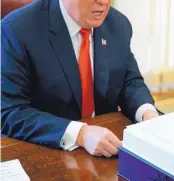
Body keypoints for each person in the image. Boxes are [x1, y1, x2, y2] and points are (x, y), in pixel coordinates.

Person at [1, 0, 160, 157]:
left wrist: (148, 114)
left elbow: (129, 81)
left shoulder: (118, 24)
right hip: (44, 152)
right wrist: (80, 134)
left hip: (106, 153)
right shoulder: (16, 30)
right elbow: (9, 112)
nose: (104, 2)